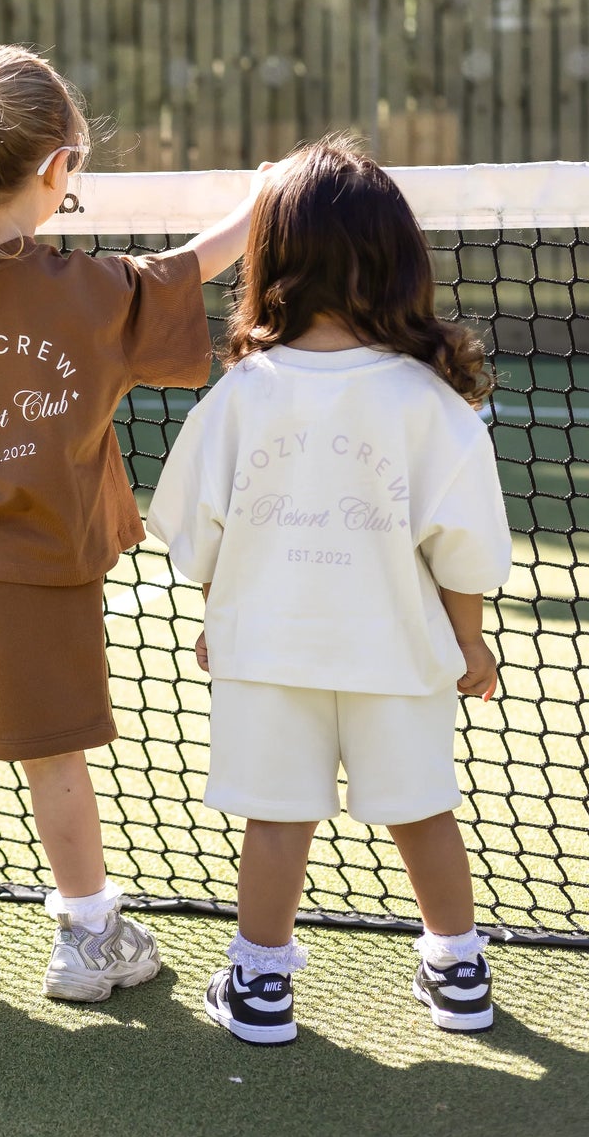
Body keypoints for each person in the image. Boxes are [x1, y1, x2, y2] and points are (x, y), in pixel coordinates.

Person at [0, 40, 265, 1004]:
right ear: (57, 169)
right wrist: (262, 199)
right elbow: (189, 267)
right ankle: (87, 932)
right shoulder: (89, 291)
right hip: (41, 569)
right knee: (56, 758)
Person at [147, 136, 513, 1045]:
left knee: (278, 818)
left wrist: (220, 617)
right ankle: (459, 968)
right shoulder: (430, 400)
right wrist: (467, 640)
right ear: (395, 263)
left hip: (269, 653)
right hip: (400, 652)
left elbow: (201, 528)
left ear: (273, 260)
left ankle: (261, 985)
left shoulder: (239, 394)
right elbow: (463, 543)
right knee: (424, 810)